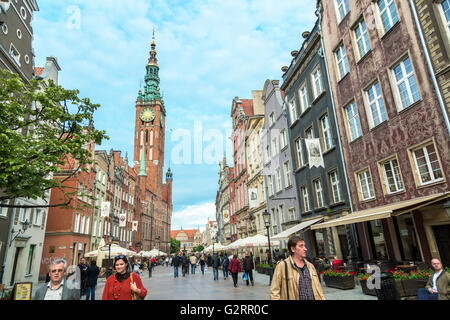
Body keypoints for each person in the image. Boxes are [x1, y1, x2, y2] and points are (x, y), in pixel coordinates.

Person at [270, 235, 325, 300]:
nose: (305, 249)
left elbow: (319, 290)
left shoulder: (310, 266)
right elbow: (274, 293)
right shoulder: (282, 266)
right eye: (301, 246)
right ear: (293, 249)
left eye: (304, 246)